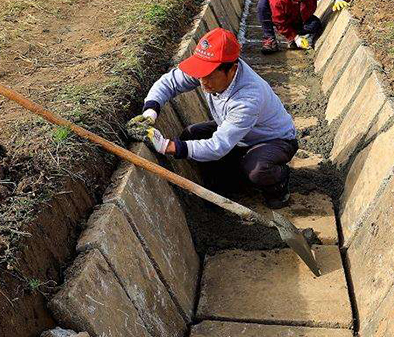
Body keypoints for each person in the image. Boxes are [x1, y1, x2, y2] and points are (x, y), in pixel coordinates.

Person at [127, 28, 298, 208]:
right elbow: (168, 83)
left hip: (274, 140)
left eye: (208, 75)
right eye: (200, 74)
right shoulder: (210, 70)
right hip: (240, 136)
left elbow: (218, 146)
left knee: (257, 169)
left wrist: (167, 146)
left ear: (232, 69)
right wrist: (150, 114)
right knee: (191, 135)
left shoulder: (247, 98)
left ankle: (278, 182)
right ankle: (233, 180)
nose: (202, 81)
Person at [258, 0, 349, 54]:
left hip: (303, 20)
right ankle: (270, 40)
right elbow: (279, 22)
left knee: (315, 24)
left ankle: (302, 38)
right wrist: (293, 36)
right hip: (286, 22)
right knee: (263, 4)